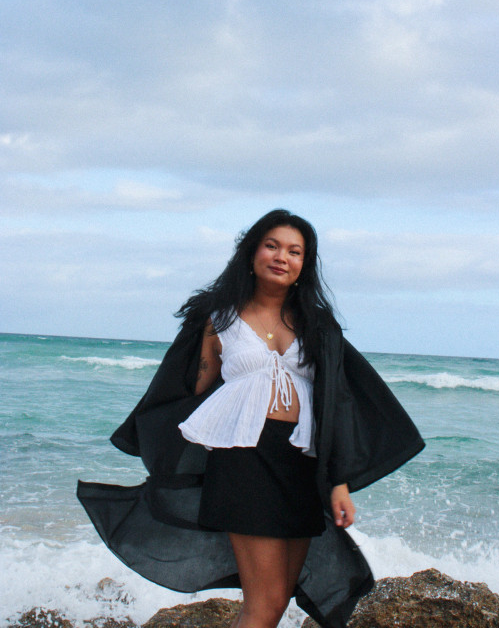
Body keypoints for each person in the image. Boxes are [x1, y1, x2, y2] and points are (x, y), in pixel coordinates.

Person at [78, 210, 425, 628]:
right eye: (272, 246)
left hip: (303, 465)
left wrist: (339, 482)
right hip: (243, 461)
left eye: (295, 252)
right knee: (262, 604)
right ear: (252, 252)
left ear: (303, 266)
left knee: (278, 601)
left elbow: (340, 403)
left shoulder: (318, 326)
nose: (282, 257)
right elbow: (193, 389)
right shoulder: (219, 318)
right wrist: (168, 449)